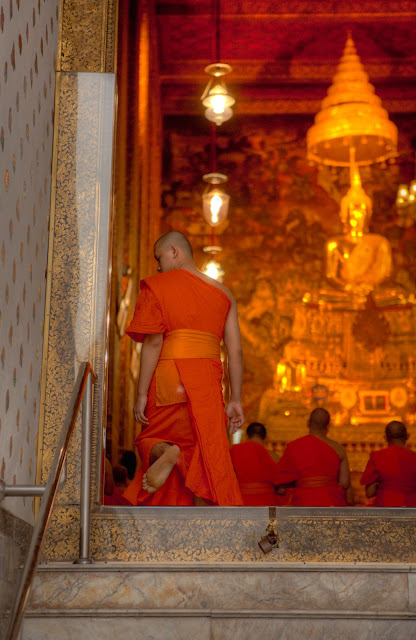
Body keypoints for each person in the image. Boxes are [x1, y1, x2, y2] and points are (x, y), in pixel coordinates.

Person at [123, 231, 244, 506]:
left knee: (151, 438)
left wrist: (141, 394)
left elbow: (154, 343)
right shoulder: (224, 294)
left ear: (174, 252)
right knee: (206, 454)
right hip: (206, 386)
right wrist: (235, 399)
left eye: (159, 258)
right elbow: (235, 351)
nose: (158, 267)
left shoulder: (157, 286)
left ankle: (167, 452)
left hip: (168, 378)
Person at [274, 408, 350, 506]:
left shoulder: (294, 447)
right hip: (331, 502)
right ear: (328, 426)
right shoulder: (339, 449)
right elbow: (344, 483)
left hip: (304, 501)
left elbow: (280, 483)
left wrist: (301, 483)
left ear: (308, 423)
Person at [360, 421, 416, 507]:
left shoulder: (377, 457)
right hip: (412, 507)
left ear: (385, 438)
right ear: (407, 436)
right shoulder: (414, 457)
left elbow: (370, 493)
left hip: (386, 506)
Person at [230, 422, 287, 506]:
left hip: (240, 502)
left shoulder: (233, 451)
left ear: (246, 436)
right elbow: (282, 489)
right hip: (267, 503)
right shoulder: (273, 456)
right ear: (265, 438)